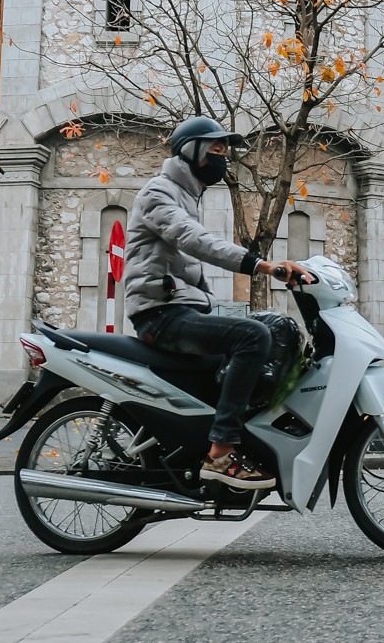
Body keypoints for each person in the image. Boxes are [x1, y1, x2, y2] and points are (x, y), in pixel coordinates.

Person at [123, 116, 313, 491]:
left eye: (226, 150)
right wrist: (261, 265)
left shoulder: (188, 196)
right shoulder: (157, 193)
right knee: (252, 336)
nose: (223, 157)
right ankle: (221, 451)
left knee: (274, 326)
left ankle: (216, 439)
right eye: (216, 149)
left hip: (182, 309)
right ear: (191, 151)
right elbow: (192, 238)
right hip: (158, 315)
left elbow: (190, 274)